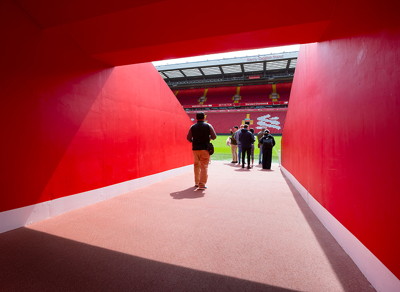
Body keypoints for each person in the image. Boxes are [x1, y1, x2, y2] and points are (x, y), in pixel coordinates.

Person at [186, 112, 217, 190]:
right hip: (205, 149)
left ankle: (196, 182)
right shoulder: (208, 126)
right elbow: (214, 136)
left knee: (196, 165)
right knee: (204, 166)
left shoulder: (192, 127)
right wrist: (208, 138)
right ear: (204, 117)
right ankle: (202, 184)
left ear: (196, 118)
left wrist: (195, 140)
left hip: (195, 149)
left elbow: (188, 138)